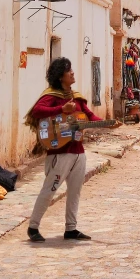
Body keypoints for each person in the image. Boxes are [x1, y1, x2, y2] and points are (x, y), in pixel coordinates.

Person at [24, 57, 120, 242]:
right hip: (59, 153)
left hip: (78, 152)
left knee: (75, 191)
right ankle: (33, 227)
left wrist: (108, 124)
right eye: (69, 71)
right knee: (50, 190)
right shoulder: (51, 96)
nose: (73, 73)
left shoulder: (77, 98)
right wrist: (62, 108)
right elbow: (37, 112)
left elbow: (90, 116)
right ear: (61, 77)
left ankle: (71, 228)